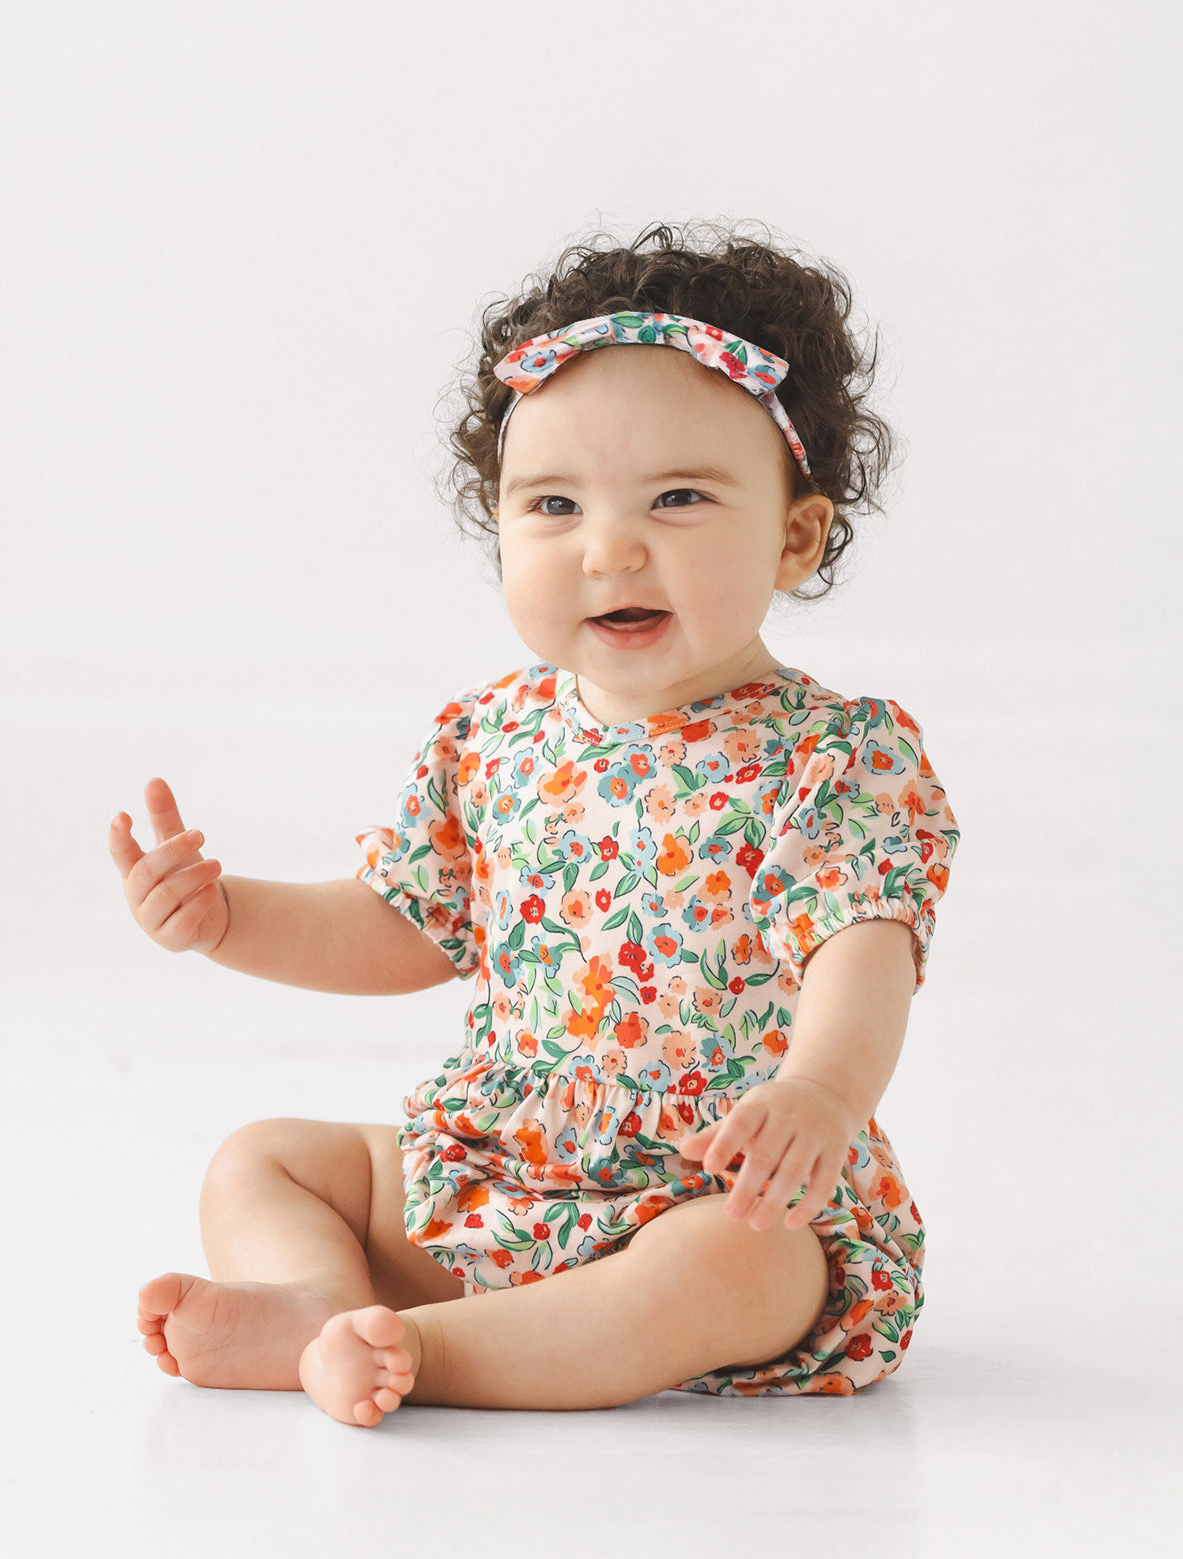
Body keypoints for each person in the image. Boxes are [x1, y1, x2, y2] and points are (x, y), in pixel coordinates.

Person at [110, 219, 961, 1427]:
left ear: (794, 534)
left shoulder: (836, 757)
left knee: (738, 1268)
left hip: (715, 1189)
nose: (610, 547)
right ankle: (311, 1299)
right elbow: (400, 926)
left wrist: (820, 1091)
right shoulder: (494, 737)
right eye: (554, 503)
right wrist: (229, 917)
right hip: (505, 1170)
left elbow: (864, 949)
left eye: (677, 497)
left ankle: (422, 1348)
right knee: (269, 1156)